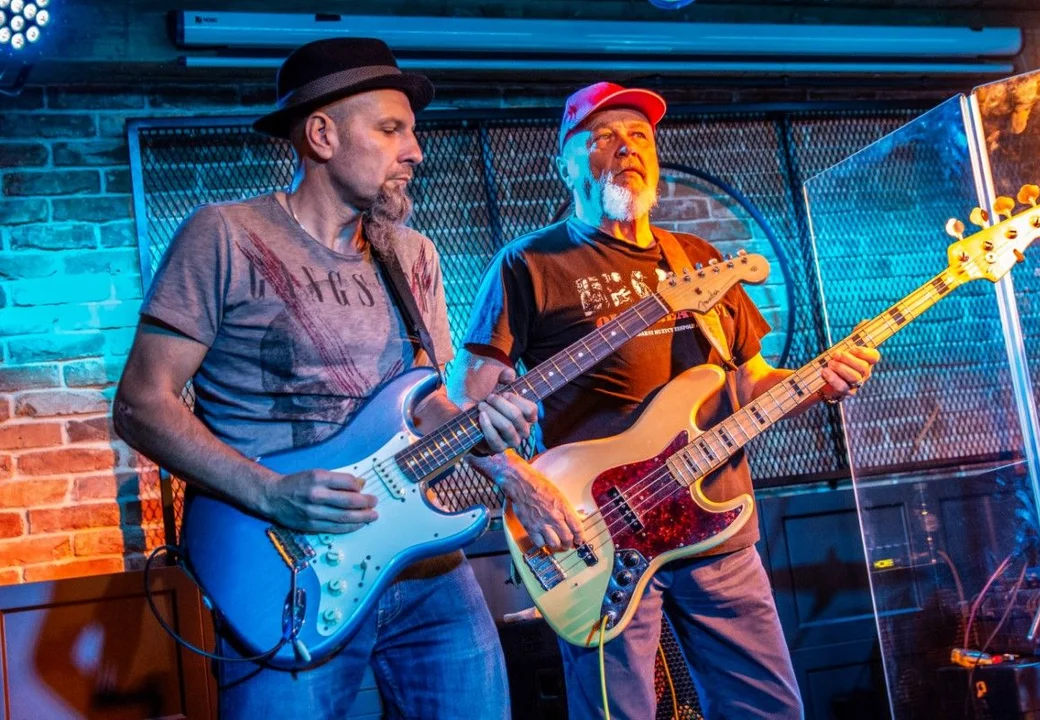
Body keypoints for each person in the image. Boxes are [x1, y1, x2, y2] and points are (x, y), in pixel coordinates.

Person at [112, 38, 535, 720]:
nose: (415, 152)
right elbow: (140, 405)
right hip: (284, 568)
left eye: (413, 133)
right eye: (391, 130)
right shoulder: (224, 236)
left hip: (422, 560)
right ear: (322, 135)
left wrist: (481, 430)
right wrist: (271, 492)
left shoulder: (412, 254)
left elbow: (424, 400)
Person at [448, 81, 880, 719]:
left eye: (640, 136)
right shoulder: (530, 264)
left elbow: (748, 382)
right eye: (603, 137)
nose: (627, 149)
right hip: (597, 537)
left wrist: (819, 381)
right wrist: (519, 483)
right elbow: (465, 403)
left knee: (768, 710)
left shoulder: (698, 260)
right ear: (564, 165)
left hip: (716, 525)